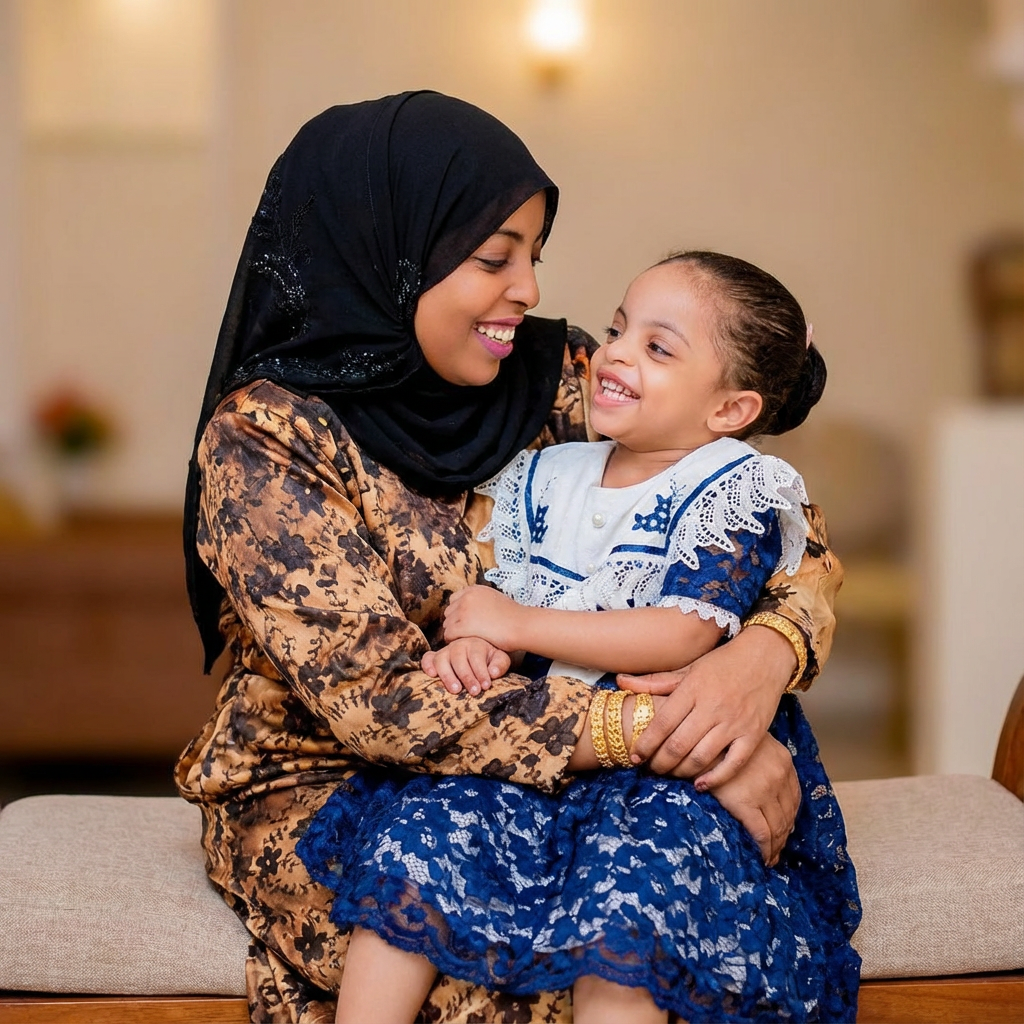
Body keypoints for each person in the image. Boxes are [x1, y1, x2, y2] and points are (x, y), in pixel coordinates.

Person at [176, 92, 845, 1023]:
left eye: (535, 255)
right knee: (500, 983)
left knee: (644, 940)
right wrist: (670, 736)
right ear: (392, 252)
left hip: (556, 783)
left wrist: (758, 661)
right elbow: (384, 704)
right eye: (495, 258)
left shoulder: (554, 377)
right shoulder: (268, 440)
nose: (528, 290)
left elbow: (771, 522)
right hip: (331, 779)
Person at [296, 251, 861, 1024]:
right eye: (618, 330)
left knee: (628, 903)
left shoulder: (731, 488)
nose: (614, 354)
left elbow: (684, 632)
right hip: (540, 747)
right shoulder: (550, 472)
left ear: (731, 410)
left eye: (657, 347)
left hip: (666, 773)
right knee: (418, 844)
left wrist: (517, 624)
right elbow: (512, 596)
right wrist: (481, 647)